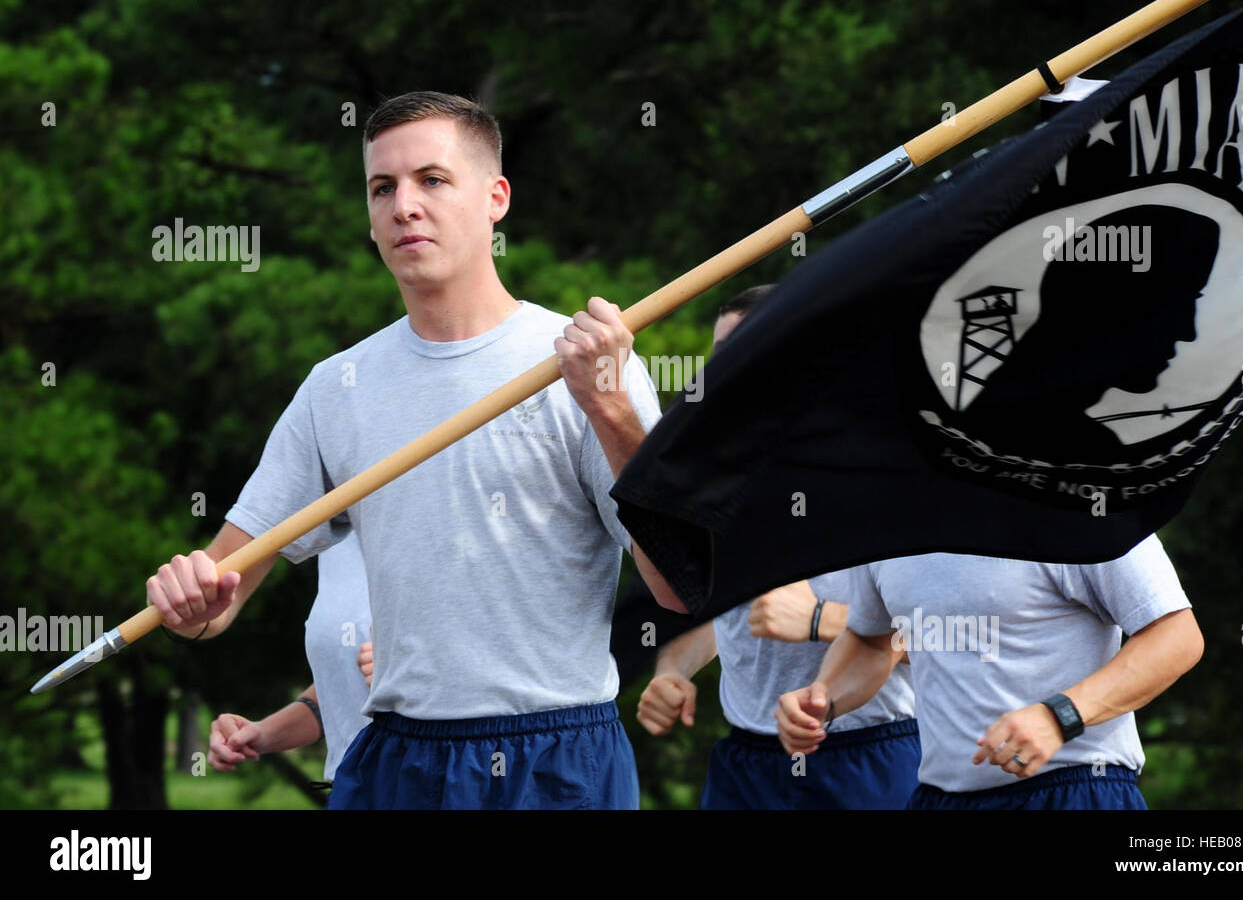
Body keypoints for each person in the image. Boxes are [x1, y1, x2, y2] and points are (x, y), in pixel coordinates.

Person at [146, 91, 682, 810]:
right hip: (398, 759)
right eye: (382, 186)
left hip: (554, 760)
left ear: (496, 198)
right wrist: (191, 603)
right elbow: (222, 591)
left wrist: (611, 408)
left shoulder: (586, 366)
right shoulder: (337, 387)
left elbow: (678, 583)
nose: (404, 205)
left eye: (432, 179)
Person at [637, 285, 920, 809]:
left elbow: (951, 631)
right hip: (744, 765)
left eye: (747, 350)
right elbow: (723, 611)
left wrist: (822, 619)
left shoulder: (882, 477)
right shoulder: (715, 480)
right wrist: (674, 669)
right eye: (721, 356)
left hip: (865, 757)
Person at [776, 537, 1203, 809]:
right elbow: (873, 640)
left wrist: (1060, 716)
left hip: (1074, 791)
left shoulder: (1078, 505)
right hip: (939, 798)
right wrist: (822, 698)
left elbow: (1176, 635)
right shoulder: (891, 523)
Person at [207, 532, 372, 791]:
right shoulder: (340, 519)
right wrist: (262, 733)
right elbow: (342, 691)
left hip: (438, 785)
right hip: (355, 792)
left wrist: (415, 669)